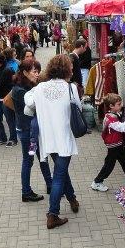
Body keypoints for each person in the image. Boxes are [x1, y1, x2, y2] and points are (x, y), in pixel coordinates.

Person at [24, 55, 80, 229]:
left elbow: (28, 102)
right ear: (66, 69)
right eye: (70, 66)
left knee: (61, 171)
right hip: (63, 138)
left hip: (48, 139)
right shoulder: (71, 88)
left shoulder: (39, 88)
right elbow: (77, 108)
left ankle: (71, 198)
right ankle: (52, 214)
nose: (72, 69)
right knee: (59, 175)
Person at [12, 59, 52, 202]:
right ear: (24, 72)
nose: (37, 74)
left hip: (33, 130)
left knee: (43, 157)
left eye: (38, 71)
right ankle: (26, 192)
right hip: (28, 132)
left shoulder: (27, 86)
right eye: (34, 71)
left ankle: (50, 184)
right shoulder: (20, 90)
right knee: (28, 160)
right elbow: (34, 106)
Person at [91, 93, 125, 192]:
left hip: (120, 144)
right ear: (111, 106)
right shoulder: (111, 119)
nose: (121, 106)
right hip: (114, 146)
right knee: (109, 165)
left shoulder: (114, 114)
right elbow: (123, 128)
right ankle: (97, 182)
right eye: (119, 104)